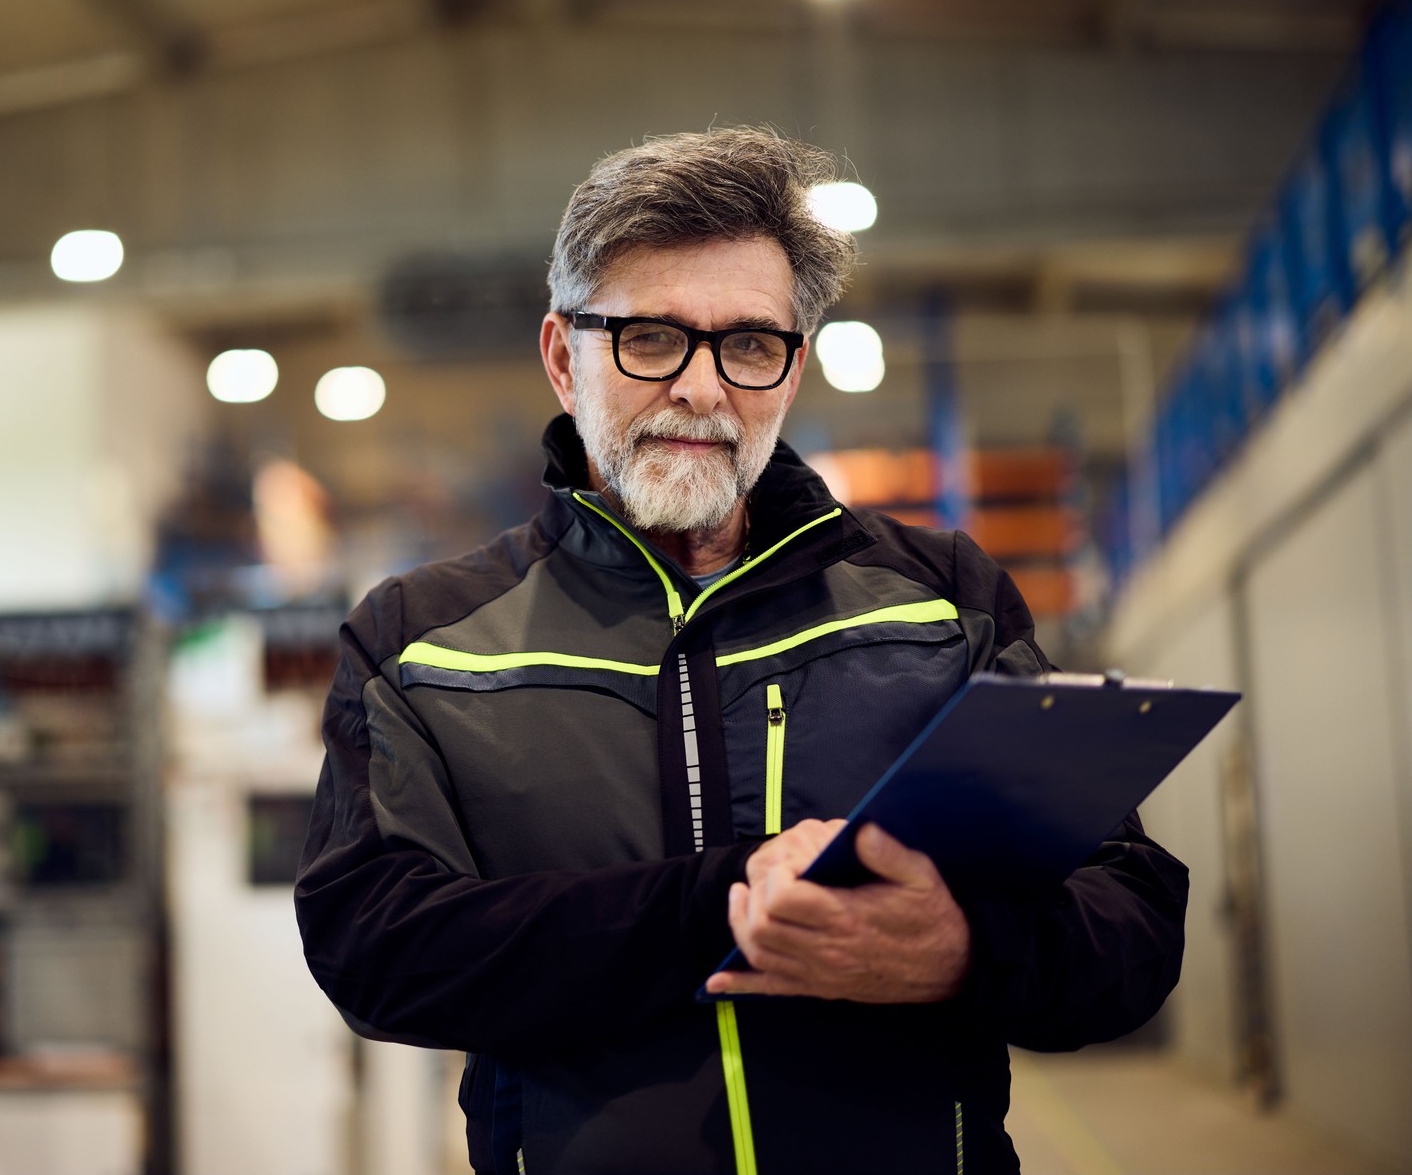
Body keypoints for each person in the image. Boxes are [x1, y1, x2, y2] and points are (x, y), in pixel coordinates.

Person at [295, 127, 1186, 1175]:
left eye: (749, 344)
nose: (703, 389)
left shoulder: (947, 605)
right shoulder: (419, 642)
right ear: (561, 355)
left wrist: (963, 951)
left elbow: (1130, 919)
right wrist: (721, 906)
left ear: (793, 368)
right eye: (650, 338)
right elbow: (377, 949)